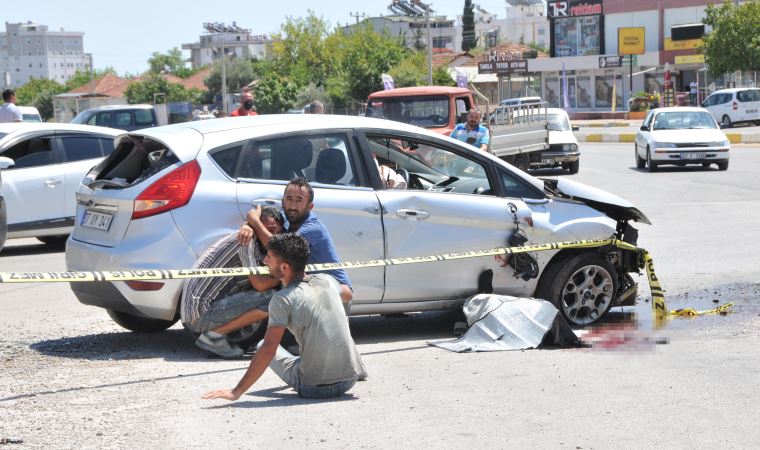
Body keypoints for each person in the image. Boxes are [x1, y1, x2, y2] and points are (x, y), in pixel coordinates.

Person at [195, 178, 353, 358]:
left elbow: (281, 248)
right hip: (307, 286)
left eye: (299, 200)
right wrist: (249, 225)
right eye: (289, 199)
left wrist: (254, 223)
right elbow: (260, 216)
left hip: (334, 292)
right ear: (283, 201)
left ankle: (292, 343)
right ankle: (284, 342)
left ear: (310, 206)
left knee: (280, 295)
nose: (293, 205)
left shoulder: (312, 228)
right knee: (281, 291)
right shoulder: (286, 219)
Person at [202, 233, 366, 401]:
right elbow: (348, 295)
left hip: (314, 388)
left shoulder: (282, 299)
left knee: (260, 345)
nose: (265, 261)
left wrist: (236, 391)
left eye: (270, 257)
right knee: (335, 315)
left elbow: (268, 349)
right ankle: (355, 366)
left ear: (285, 268)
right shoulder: (327, 280)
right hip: (349, 380)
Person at [187, 207, 285, 357]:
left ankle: (221, 335)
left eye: (277, 233)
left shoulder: (250, 240)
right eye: (270, 230)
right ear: (257, 224)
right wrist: (285, 276)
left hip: (195, 313)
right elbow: (260, 285)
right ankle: (213, 338)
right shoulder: (245, 240)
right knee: (275, 298)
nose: (272, 236)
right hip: (199, 316)